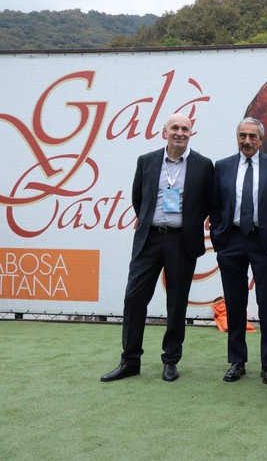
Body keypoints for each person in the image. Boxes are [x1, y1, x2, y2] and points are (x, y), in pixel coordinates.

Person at [101, 113, 214, 383]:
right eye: (174, 127)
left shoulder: (203, 165)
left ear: (191, 134)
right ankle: (130, 360)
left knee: (176, 303)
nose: (179, 132)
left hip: (181, 241)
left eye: (185, 128)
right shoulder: (147, 161)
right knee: (134, 298)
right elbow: (138, 198)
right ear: (164, 132)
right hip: (149, 239)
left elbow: (207, 203)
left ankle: (171, 361)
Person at [210, 117, 267, 385]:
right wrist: (219, 237)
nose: (247, 141)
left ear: (261, 139)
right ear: (237, 138)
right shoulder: (222, 166)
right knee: (235, 304)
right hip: (232, 241)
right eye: (242, 136)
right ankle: (237, 361)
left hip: (265, 242)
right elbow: (214, 207)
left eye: (252, 136)